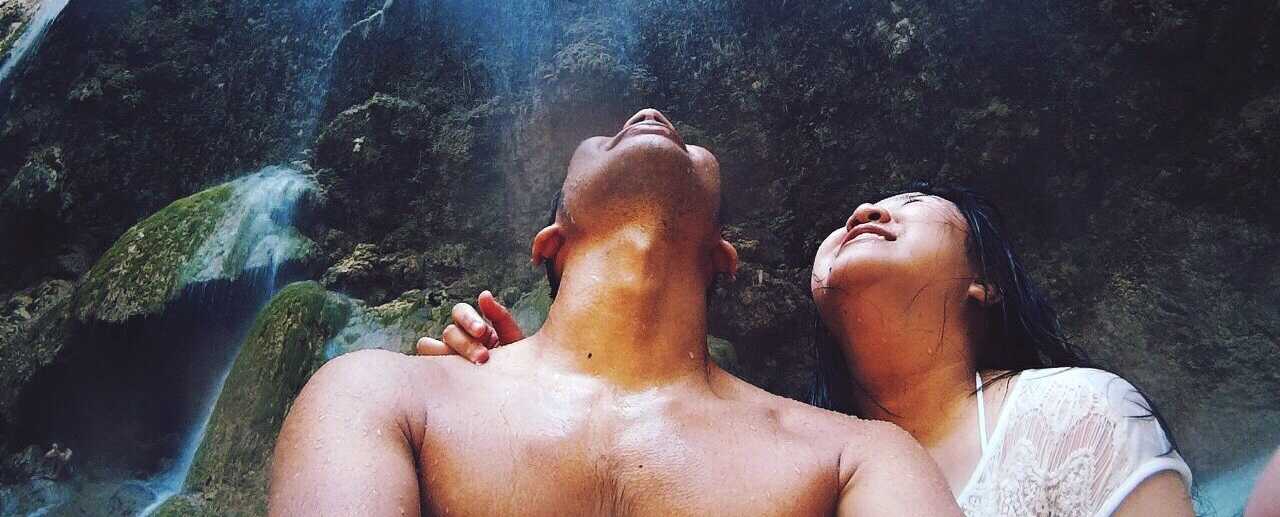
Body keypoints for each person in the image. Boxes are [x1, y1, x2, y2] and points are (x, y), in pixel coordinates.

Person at [268, 109, 962, 517]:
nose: (648, 116)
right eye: (606, 132)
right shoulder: (377, 394)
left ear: (724, 255)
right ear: (552, 242)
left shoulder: (859, 458)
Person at [423, 183, 1195, 517]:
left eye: (912, 206)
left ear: (983, 281)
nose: (867, 209)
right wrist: (533, 410)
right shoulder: (793, 467)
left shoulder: (1075, 412)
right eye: (861, 211)